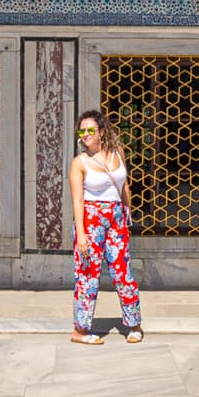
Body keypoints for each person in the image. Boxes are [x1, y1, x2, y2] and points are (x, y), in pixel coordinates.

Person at [68, 108, 143, 345]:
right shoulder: (79, 163)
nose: (87, 133)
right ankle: (80, 330)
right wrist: (81, 234)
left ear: (101, 131)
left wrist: (127, 212)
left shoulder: (117, 152)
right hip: (91, 219)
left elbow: (124, 186)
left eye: (91, 129)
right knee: (88, 275)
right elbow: (77, 200)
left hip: (117, 218)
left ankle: (134, 324)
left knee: (123, 273)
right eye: (83, 130)